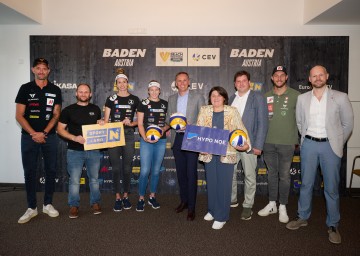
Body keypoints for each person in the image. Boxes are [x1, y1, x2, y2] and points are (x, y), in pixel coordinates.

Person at [286, 65, 354, 244]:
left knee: (331, 188)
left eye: (320, 75)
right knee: (306, 184)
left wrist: (337, 142)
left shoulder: (340, 97)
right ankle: (302, 217)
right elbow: (300, 123)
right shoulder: (302, 99)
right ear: (309, 79)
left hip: (330, 147)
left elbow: (348, 125)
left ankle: (333, 224)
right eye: (314, 76)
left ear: (327, 76)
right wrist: (306, 140)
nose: (317, 78)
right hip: (308, 145)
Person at [15, 58, 62, 224]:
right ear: (33, 69)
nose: (41, 71)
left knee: (51, 171)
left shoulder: (55, 89)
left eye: (44, 69)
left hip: (50, 137)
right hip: (29, 137)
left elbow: (56, 114)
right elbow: (19, 115)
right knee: (30, 172)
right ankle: (31, 207)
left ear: (48, 71)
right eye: (38, 68)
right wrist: (34, 133)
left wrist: (44, 132)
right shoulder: (25, 88)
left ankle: (48, 204)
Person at [197, 86, 250, 230]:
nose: (216, 98)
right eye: (213, 95)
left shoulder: (232, 111)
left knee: (224, 185)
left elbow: (241, 129)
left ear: (224, 98)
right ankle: (212, 210)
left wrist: (246, 145)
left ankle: (222, 216)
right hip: (208, 153)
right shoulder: (204, 110)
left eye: (219, 95)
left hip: (226, 153)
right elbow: (199, 128)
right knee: (212, 183)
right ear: (210, 98)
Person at [258, 65, 300, 223]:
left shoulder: (296, 95)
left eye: (282, 75)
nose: (279, 78)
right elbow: (261, 121)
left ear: (287, 77)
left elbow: (302, 119)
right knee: (271, 174)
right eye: (276, 75)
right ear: (272, 78)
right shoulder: (266, 96)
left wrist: (297, 139)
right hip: (268, 143)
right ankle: (271, 204)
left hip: (287, 143)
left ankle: (282, 206)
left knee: (284, 176)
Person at [57, 83, 103, 219]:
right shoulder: (68, 110)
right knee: (75, 180)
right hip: (74, 150)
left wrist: (101, 123)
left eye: (86, 92)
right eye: (81, 92)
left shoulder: (95, 109)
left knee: (94, 179)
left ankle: (95, 203)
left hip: (93, 150)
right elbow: (60, 129)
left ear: (90, 94)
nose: (83, 94)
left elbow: (99, 128)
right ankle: (73, 205)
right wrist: (74, 138)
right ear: (76, 93)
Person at [228, 70, 268, 220]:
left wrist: (258, 146)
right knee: (230, 174)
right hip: (231, 145)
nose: (241, 84)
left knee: (250, 176)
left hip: (249, 145)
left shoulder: (257, 97)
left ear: (249, 82)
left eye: (244, 81)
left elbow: (263, 123)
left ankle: (248, 205)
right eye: (238, 81)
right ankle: (232, 199)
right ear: (234, 84)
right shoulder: (231, 98)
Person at [167, 72, 205, 221]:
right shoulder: (171, 99)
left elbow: (204, 118)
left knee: (191, 173)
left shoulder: (198, 97)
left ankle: (192, 208)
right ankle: (184, 201)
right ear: (176, 83)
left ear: (189, 82)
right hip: (177, 138)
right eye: (179, 81)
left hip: (192, 137)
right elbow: (169, 119)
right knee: (181, 173)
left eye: (184, 80)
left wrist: (191, 125)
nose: (182, 83)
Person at [104, 70, 139, 212]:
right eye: (119, 82)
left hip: (129, 134)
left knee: (126, 167)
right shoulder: (110, 99)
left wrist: (131, 123)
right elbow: (106, 120)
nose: (122, 84)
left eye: (124, 82)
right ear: (116, 85)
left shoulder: (135, 99)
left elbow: (140, 120)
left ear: (128, 84)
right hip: (113, 133)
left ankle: (126, 195)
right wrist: (102, 122)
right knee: (116, 167)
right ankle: (117, 197)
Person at [135, 80, 169, 212]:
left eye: (156, 89)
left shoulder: (165, 104)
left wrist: (162, 131)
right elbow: (139, 124)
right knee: (144, 171)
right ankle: (141, 198)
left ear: (159, 91)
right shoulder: (143, 103)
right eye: (151, 89)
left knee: (155, 171)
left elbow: (169, 123)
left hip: (161, 140)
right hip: (146, 140)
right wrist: (145, 138)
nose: (154, 92)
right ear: (148, 91)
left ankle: (152, 196)